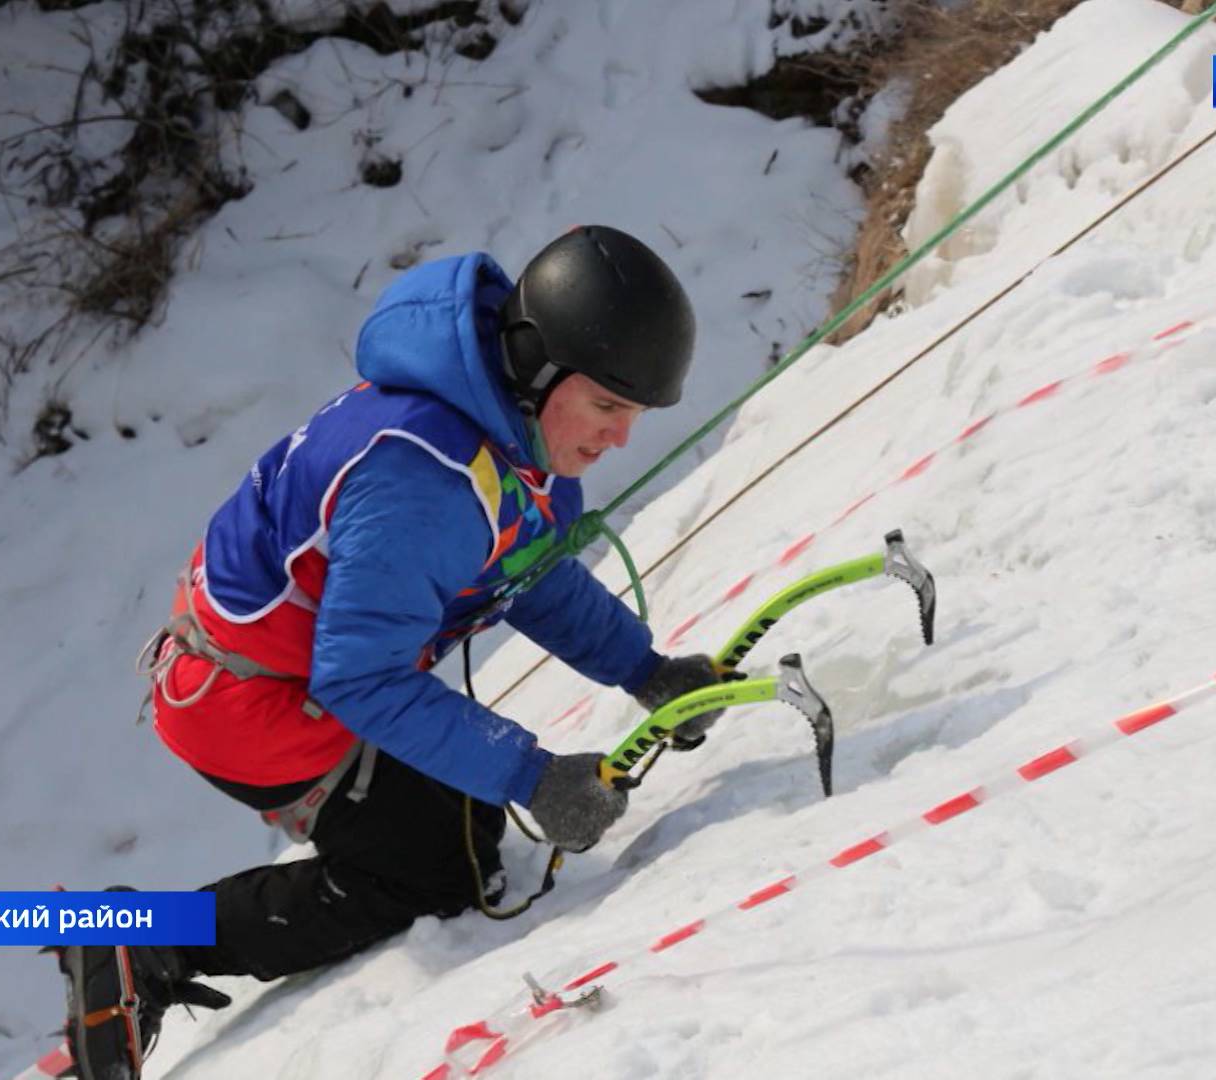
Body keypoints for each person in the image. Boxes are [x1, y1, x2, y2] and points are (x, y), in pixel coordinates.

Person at [54, 226, 730, 1079]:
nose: (618, 438)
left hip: (301, 678)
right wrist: (531, 773)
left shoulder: (515, 438)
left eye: (633, 415)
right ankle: (146, 945)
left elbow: (532, 572)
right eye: (606, 408)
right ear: (535, 364)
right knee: (439, 869)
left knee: (466, 820)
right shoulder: (424, 480)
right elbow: (362, 677)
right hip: (246, 704)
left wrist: (643, 668)